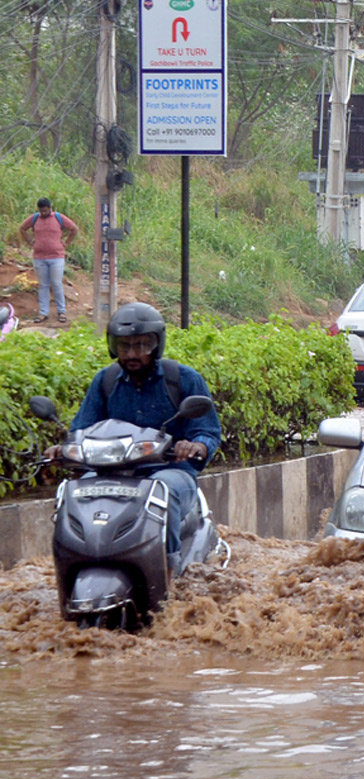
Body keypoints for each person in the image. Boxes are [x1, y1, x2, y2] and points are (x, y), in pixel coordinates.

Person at [49, 303, 221, 574]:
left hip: (169, 471)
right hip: (110, 473)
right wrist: (65, 450)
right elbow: (81, 430)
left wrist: (195, 445)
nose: (132, 353)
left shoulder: (183, 379)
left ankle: (169, 573)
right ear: (113, 346)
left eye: (141, 345)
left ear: (157, 345)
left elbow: (207, 431)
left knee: (161, 492)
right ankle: (71, 568)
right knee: (75, 494)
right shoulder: (105, 381)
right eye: (124, 346)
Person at [19, 198, 79, 325]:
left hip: (56, 257)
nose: (43, 213)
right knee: (43, 285)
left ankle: (61, 311)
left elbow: (74, 229)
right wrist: (30, 241)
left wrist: (66, 243)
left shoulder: (58, 217)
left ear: (50, 208)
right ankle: (43, 313)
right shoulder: (35, 218)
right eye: (41, 211)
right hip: (39, 258)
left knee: (56, 284)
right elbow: (23, 228)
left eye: (45, 211)